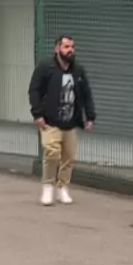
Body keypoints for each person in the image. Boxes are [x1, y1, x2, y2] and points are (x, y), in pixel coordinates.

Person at [28, 34, 96, 206]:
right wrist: (37, 114)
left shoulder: (78, 70)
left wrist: (90, 116)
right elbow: (34, 90)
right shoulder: (46, 67)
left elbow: (86, 94)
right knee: (51, 153)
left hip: (70, 122)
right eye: (66, 47)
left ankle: (63, 188)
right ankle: (48, 187)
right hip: (50, 121)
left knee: (69, 157)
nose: (70, 50)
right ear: (57, 49)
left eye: (72, 47)